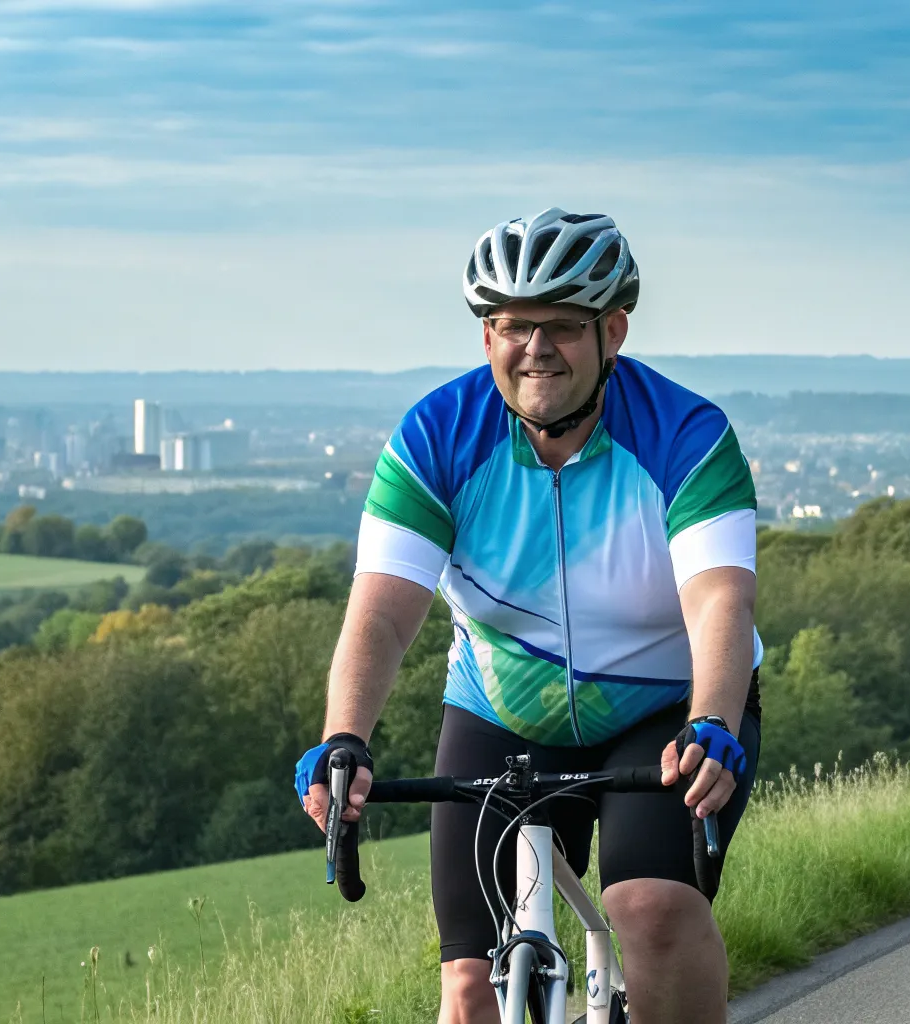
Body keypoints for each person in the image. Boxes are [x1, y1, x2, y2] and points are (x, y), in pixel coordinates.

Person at [294, 208, 763, 1023]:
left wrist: (713, 720)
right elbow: (381, 613)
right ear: (486, 337)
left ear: (613, 331)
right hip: (501, 707)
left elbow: (720, 597)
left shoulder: (687, 435)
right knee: (469, 987)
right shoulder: (437, 436)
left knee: (650, 907)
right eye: (513, 326)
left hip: (663, 710)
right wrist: (345, 738)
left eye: (563, 328)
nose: (535, 349)